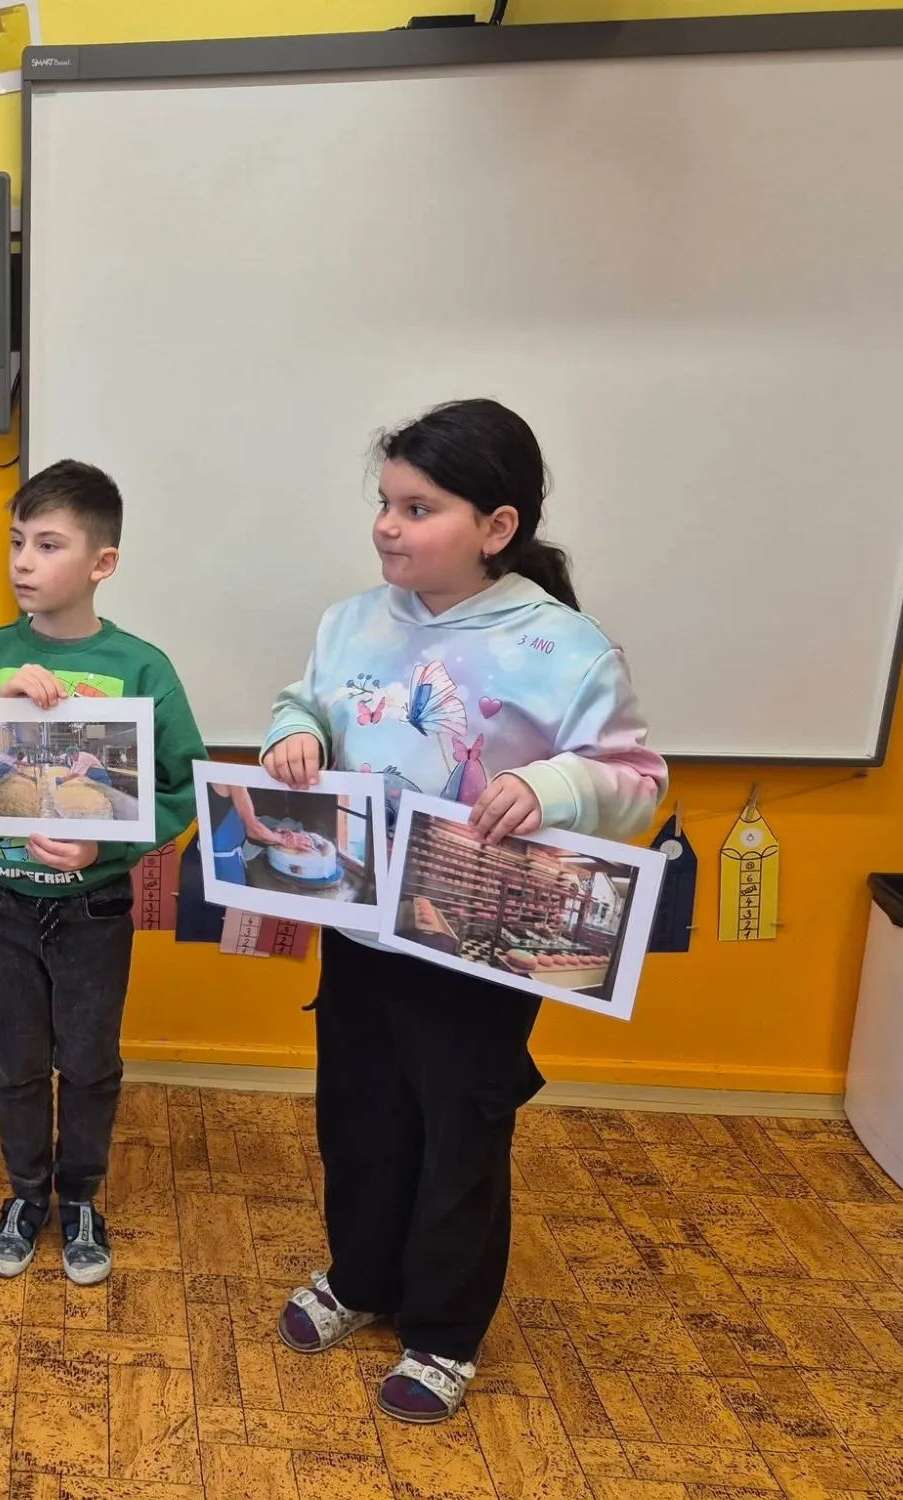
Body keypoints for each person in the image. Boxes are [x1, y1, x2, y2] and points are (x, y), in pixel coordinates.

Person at [261, 398, 667, 1423]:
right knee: (357, 1116)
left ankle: (443, 1330)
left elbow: (635, 779)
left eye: (418, 508)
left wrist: (554, 786)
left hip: (480, 947)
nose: (387, 527)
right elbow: (305, 701)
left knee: (460, 1132)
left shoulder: (565, 647)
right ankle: (361, 1277)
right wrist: (290, 734)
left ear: (496, 527)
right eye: (385, 503)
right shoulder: (350, 620)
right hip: (361, 930)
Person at [0, 460, 206, 1286]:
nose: (22, 561)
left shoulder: (142, 668)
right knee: (15, 1062)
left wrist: (104, 849)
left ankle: (80, 1198)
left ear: (101, 563)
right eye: (17, 541)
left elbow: (182, 787)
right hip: (0, 902)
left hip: (94, 909)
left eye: (48, 545)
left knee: (88, 1063)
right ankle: (26, 1195)